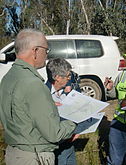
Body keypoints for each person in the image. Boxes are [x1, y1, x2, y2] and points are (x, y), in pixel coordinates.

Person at [0, 29, 77, 165]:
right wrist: (74, 121)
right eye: (46, 50)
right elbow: (54, 133)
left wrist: (48, 106)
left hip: (14, 152)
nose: (47, 55)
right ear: (35, 51)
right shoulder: (34, 84)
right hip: (33, 156)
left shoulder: (8, 77)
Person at [46, 58, 80, 165]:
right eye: (67, 76)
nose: (69, 79)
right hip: (54, 147)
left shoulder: (67, 91)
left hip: (69, 143)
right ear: (57, 77)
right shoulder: (43, 94)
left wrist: (77, 130)